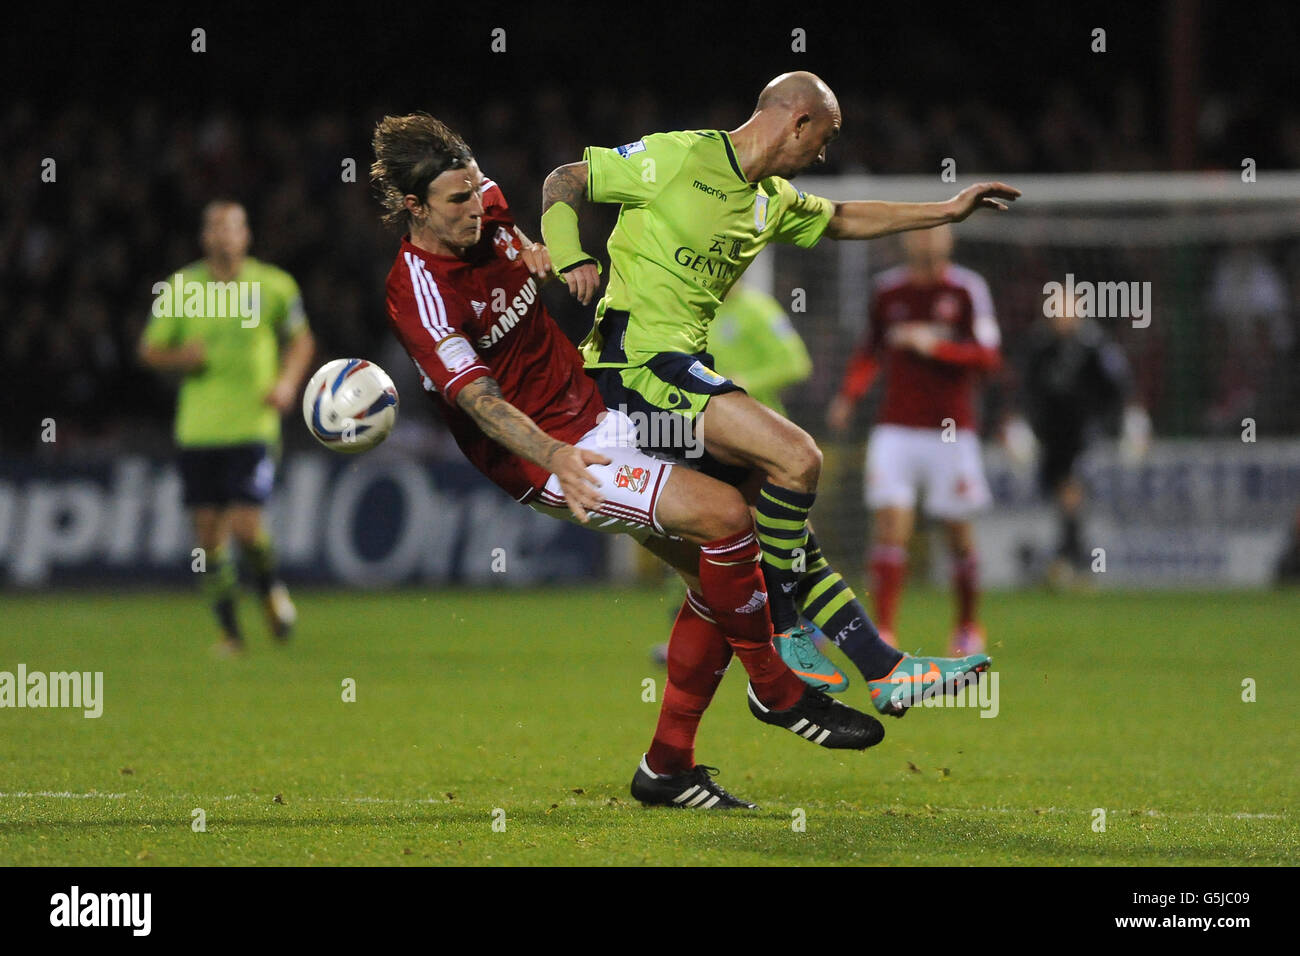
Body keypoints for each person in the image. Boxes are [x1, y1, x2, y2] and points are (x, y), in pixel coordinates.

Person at [370, 113, 884, 811]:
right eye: (455, 203)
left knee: (732, 555)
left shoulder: (483, 202)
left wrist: (531, 245)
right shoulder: (417, 291)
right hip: (548, 455)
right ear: (413, 209)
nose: (475, 208)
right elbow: (479, 400)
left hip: (598, 408)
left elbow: (521, 208)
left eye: (474, 193)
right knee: (726, 517)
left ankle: (667, 770)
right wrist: (555, 454)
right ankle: (778, 692)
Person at [541, 71, 1011, 711]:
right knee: (799, 457)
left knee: (786, 524)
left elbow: (844, 218)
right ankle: (786, 629)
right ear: (797, 122)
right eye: (825, 138)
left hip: (677, 372)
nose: (824, 154)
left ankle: (885, 667)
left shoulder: (772, 199)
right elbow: (565, 179)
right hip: (633, 369)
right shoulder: (677, 156)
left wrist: (945, 209)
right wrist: (570, 254)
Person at [139, 200, 315, 654]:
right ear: (204, 237)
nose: (223, 235)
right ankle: (231, 633)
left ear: (246, 235)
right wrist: (183, 358)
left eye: (232, 226)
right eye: (215, 227)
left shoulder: (274, 285)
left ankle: (272, 591)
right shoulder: (181, 287)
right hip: (198, 429)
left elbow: (301, 340)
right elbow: (150, 350)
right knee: (207, 537)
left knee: (244, 524)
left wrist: (287, 384)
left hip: (253, 424)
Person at [827, 225, 1000, 654]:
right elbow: (870, 350)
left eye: (934, 234)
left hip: (951, 430)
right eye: (918, 235)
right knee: (889, 528)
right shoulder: (887, 291)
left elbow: (989, 357)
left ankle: (966, 625)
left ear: (949, 241)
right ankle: (885, 631)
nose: (925, 242)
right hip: (896, 428)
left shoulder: (966, 290)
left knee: (957, 532)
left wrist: (935, 347)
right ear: (906, 241)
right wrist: (849, 395)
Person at [1021, 290, 1146, 586]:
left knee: (1071, 491)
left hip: (1083, 430)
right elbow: (1026, 388)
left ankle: (1072, 560)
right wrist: (1020, 423)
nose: (1060, 316)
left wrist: (1131, 420)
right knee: (1060, 493)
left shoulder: (1094, 344)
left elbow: (1119, 386)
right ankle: (1070, 559)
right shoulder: (1040, 344)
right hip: (1050, 432)